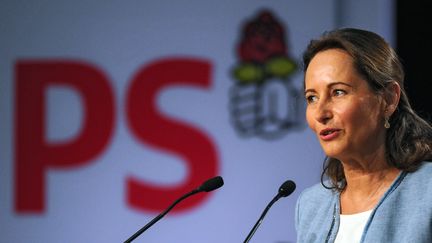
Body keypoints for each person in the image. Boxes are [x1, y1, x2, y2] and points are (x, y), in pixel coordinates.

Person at [295, 28, 432, 243]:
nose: (320, 113)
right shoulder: (311, 205)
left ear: (388, 99)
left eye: (338, 92)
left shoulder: (427, 190)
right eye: (312, 98)